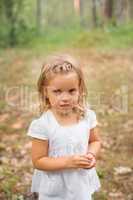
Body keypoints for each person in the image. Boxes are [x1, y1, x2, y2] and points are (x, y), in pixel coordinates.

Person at [27, 54, 101, 200]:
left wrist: (91, 155)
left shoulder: (87, 116)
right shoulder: (43, 125)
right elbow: (38, 161)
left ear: (80, 89)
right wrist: (68, 162)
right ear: (45, 92)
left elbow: (95, 141)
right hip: (55, 188)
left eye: (72, 91)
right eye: (57, 91)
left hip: (80, 182)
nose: (65, 98)